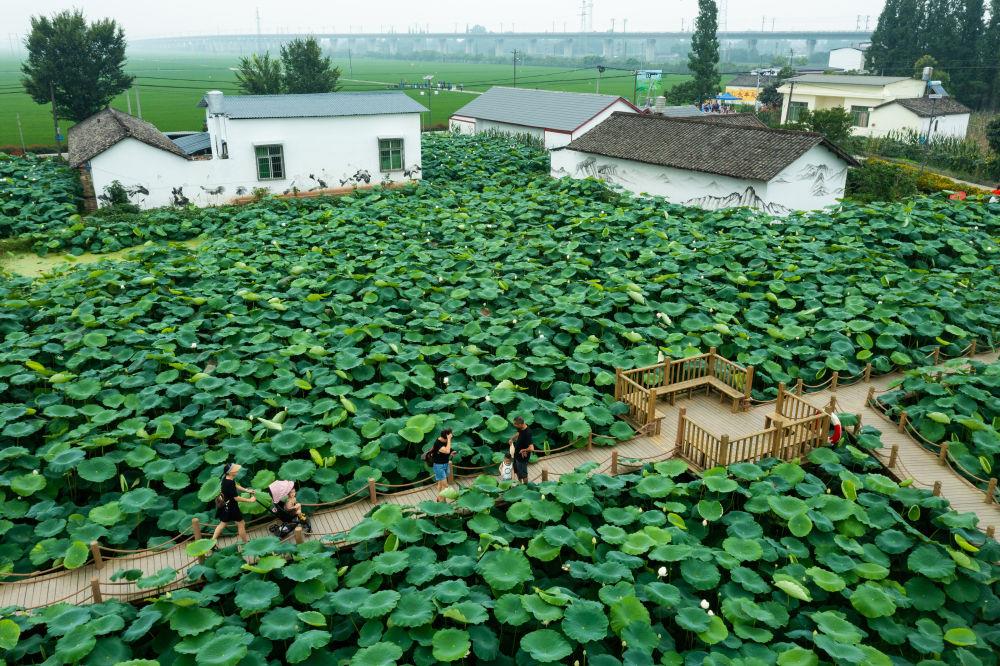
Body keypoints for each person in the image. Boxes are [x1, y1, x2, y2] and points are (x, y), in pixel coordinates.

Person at [212, 463, 256, 544]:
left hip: (226, 505)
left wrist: (247, 490)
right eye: (235, 470)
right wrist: (250, 500)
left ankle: (211, 542)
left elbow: (235, 485)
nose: (237, 471)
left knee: (222, 524)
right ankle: (245, 542)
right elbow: (236, 498)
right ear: (230, 472)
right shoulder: (229, 483)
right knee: (241, 523)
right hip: (231, 507)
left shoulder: (226, 478)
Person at [508, 416, 534, 484]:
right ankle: (520, 484)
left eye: (515, 424)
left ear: (520, 424)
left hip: (522, 458)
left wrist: (524, 450)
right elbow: (518, 433)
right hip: (516, 454)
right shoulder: (521, 428)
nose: (514, 425)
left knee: (523, 474)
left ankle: (525, 486)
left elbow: (531, 448)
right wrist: (512, 439)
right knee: (517, 471)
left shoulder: (528, 433)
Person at [431, 429, 453, 501]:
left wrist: (452, 453)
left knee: (440, 484)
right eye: (449, 438)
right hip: (439, 466)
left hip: (445, 464)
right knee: (446, 485)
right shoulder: (438, 443)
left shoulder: (445, 441)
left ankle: (440, 498)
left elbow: (448, 450)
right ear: (445, 437)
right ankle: (441, 500)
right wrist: (449, 439)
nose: (450, 439)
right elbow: (447, 451)